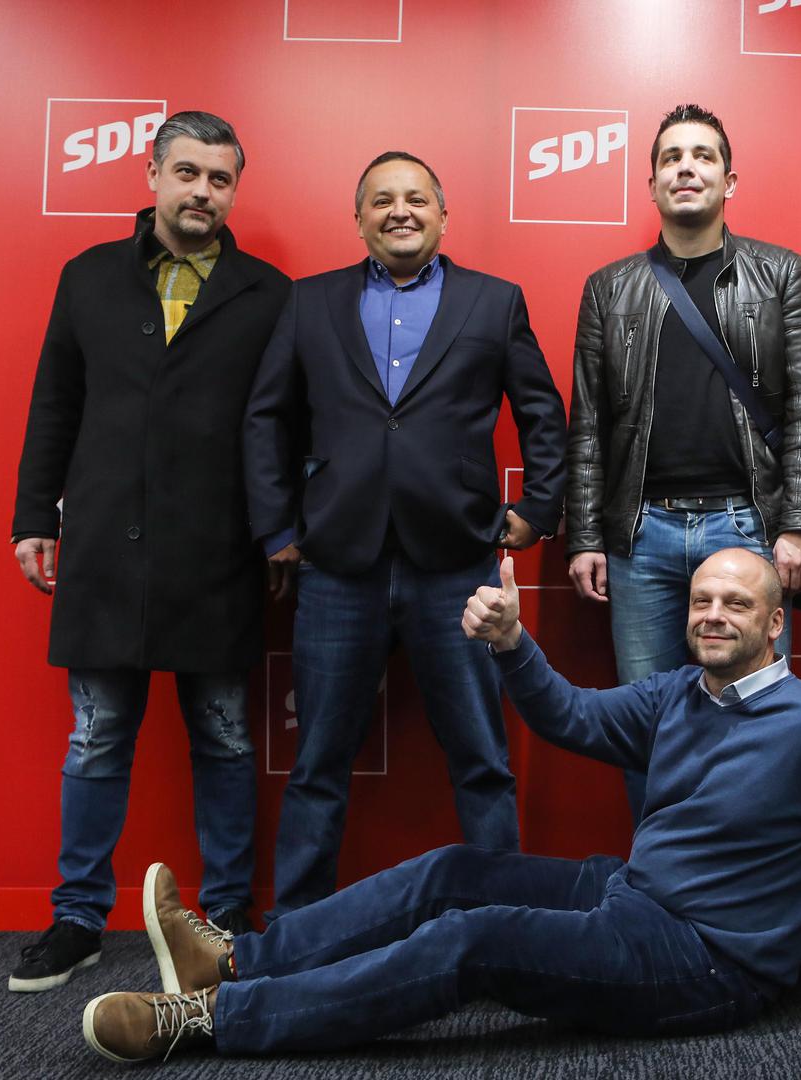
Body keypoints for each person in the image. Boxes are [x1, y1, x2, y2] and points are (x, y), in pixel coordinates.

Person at [78, 549, 801, 1062]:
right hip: (632, 895)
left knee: (474, 939)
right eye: (700, 601)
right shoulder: (677, 694)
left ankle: (211, 1020)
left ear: (775, 623)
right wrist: (513, 643)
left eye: (736, 603)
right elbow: (568, 716)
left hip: (705, 959)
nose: (712, 615)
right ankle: (233, 957)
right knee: (453, 871)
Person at [243, 151, 567, 920]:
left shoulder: (494, 302)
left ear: (442, 215)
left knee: (482, 761)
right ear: (358, 219)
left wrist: (538, 508)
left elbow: (542, 413)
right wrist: (276, 527)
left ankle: (504, 927)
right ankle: (294, 935)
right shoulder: (310, 302)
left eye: (416, 198)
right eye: (382, 200)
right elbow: (265, 417)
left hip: (456, 566)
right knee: (317, 765)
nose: (400, 211)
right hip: (336, 567)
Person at [8, 112, 291, 991]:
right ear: (152, 175)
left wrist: (281, 531)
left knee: (224, 738)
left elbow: (284, 425)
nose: (203, 191)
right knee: (96, 737)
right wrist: (34, 516)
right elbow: (54, 403)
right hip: (103, 549)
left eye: (219, 179)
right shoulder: (88, 275)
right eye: (187, 173)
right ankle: (77, 918)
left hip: (219, 553)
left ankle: (228, 915)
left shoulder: (268, 292)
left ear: (233, 190)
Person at [565, 103, 801, 820]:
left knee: (760, 726)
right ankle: (660, 877)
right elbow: (587, 424)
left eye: (703, 155)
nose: (686, 167)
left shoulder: (782, 274)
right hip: (640, 536)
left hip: (749, 530)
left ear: (728, 180)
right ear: (652, 183)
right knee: (646, 730)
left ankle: (756, 882)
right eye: (671, 157)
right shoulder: (608, 287)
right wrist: (586, 535)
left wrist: (799, 526)